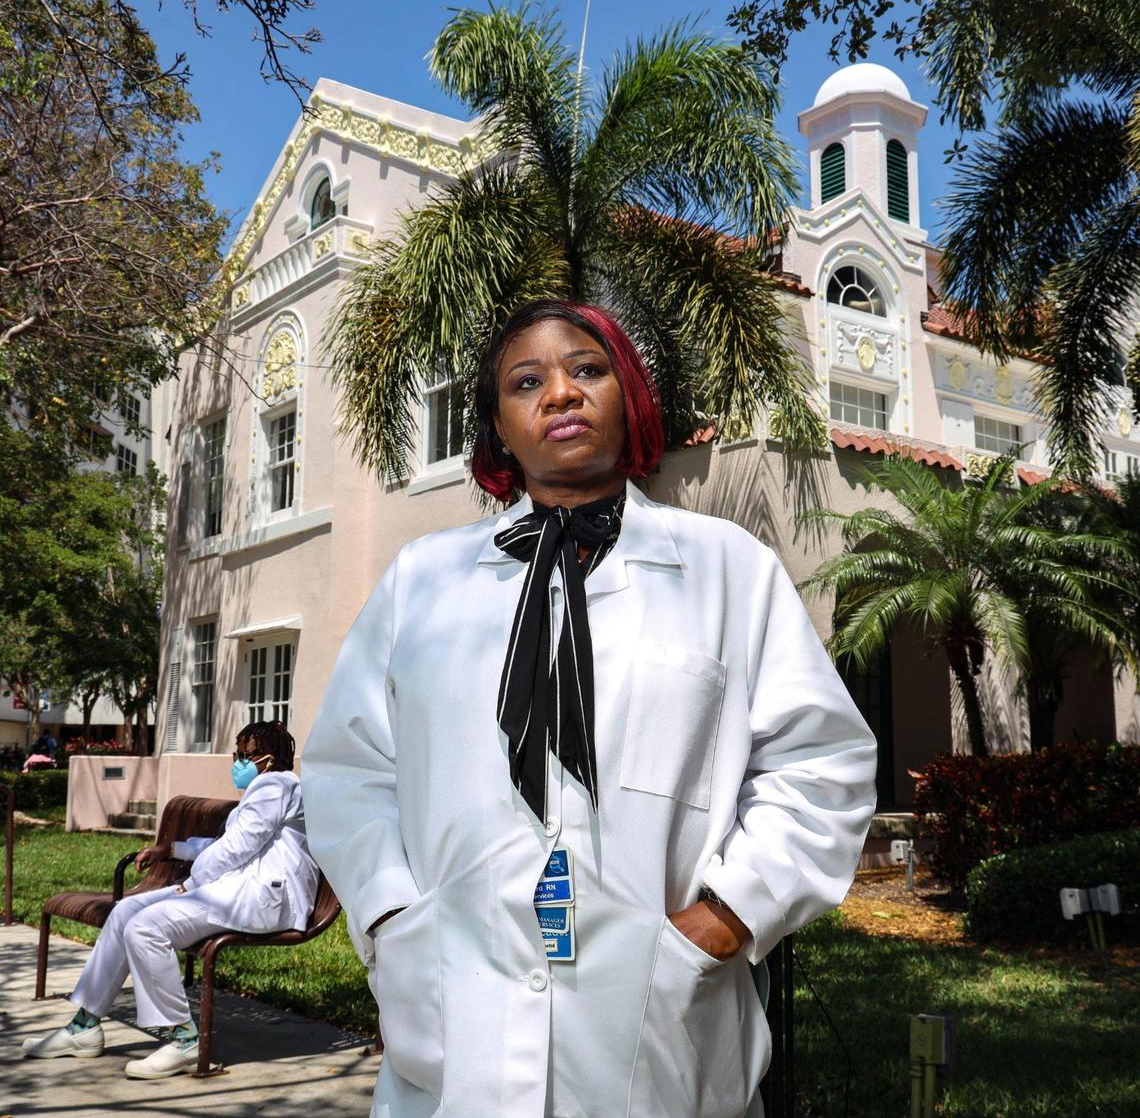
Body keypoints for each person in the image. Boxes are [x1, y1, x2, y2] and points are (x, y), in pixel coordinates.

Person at [302, 301, 878, 1118]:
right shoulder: (421, 581)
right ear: (498, 428)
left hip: (661, 1024)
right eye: (526, 382)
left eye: (587, 370)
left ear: (630, 396)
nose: (560, 394)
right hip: (456, 1018)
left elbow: (821, 765)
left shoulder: (726, 570)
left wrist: (725, 920)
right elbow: (347, 771)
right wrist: (395, 919)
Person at [21, 719, 319, 1079]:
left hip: (263, 898)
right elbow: (228, 845)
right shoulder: (265, 791)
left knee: (145, 928)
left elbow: (237, 848)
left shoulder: (275, 785)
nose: (238, 761)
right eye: (236, 753)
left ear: (269, 759)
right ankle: (84, 1027)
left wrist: (190, 885)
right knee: (126, 910)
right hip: (236, 890)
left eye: (245, 754)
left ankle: (184, 1040)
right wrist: (171, 849)